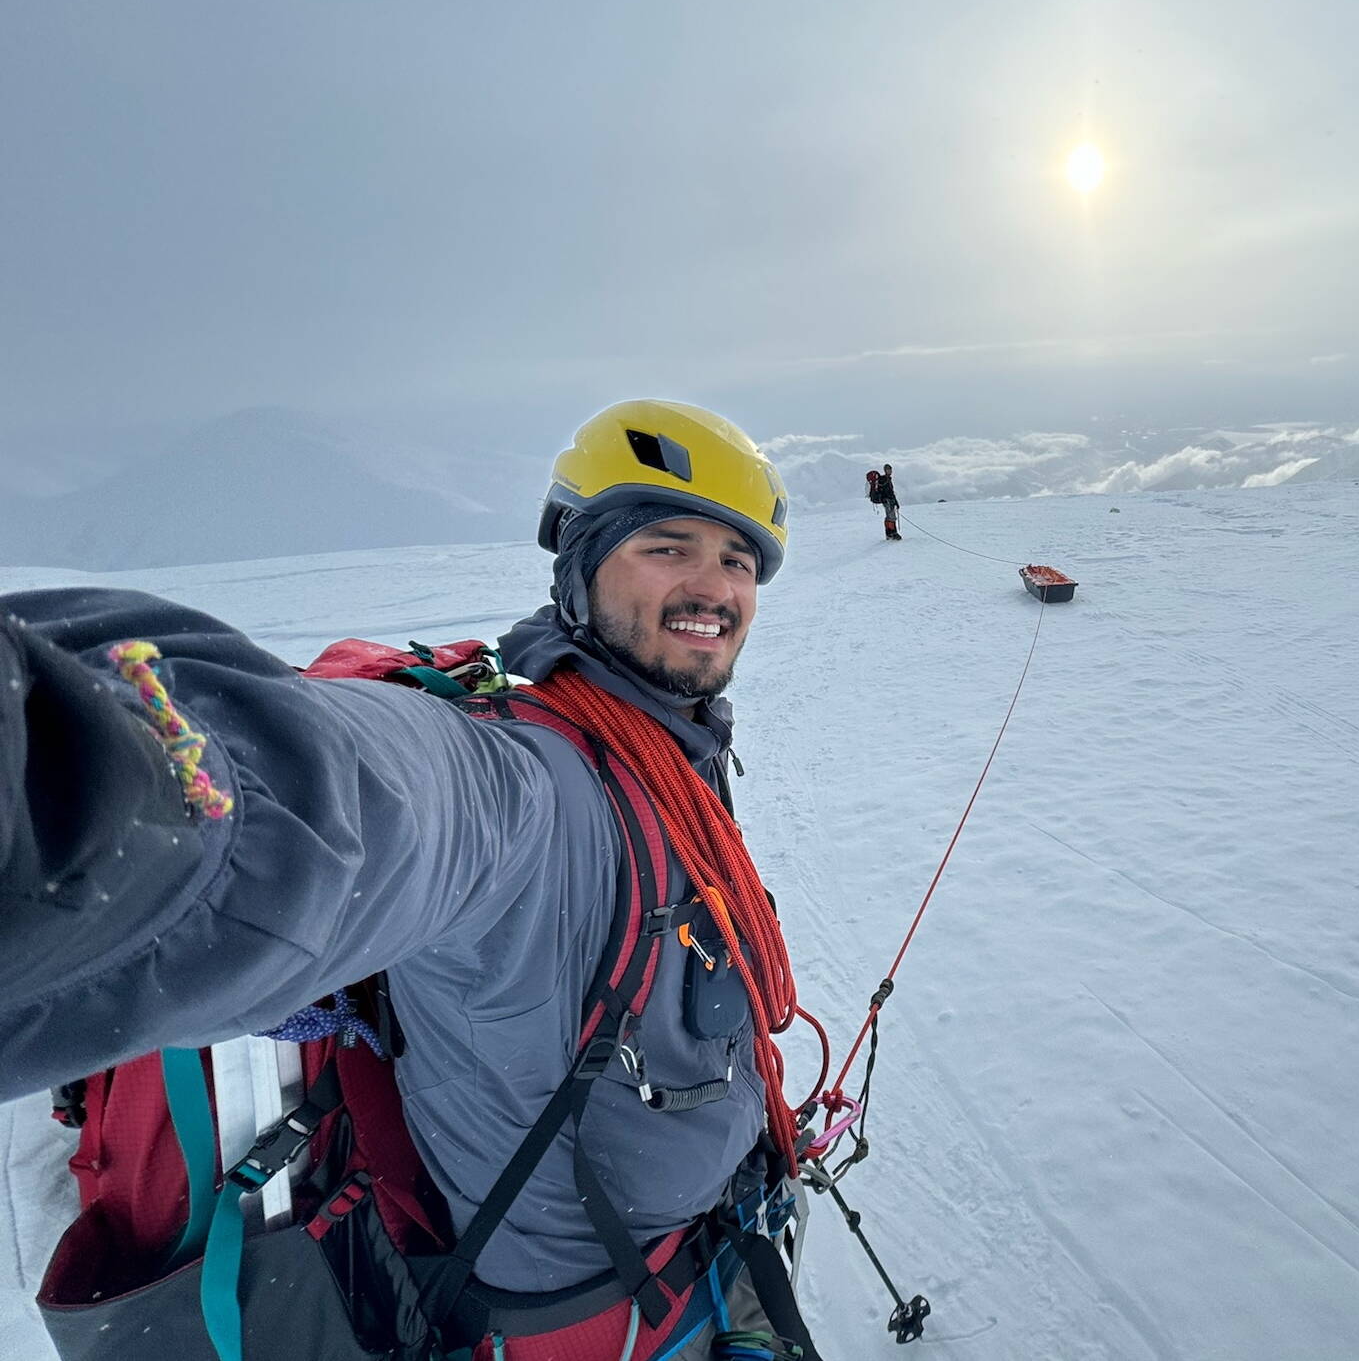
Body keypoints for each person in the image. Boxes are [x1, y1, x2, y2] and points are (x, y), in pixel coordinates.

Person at [0, 399, 820, 1358]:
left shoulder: (667, 752)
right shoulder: (526, 787)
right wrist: (79, 780)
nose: (711, 587)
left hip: (705, 1259)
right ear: (579, 565)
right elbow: (324, 797)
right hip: (590, 1321)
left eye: (737, 560)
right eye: (667, 547)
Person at [871, 463, 901, 540]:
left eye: (890, 469)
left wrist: (896, 502)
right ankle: (893, 533)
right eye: (888, 469)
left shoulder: (887, 479)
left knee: (889, 516)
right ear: (885, 470)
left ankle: (889, 533)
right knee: (891, 517)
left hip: (890, 500)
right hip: (887, 501)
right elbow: (883, 491)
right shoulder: (883, 479)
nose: (890, 471)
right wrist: (884, 499)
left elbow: (891, 492)